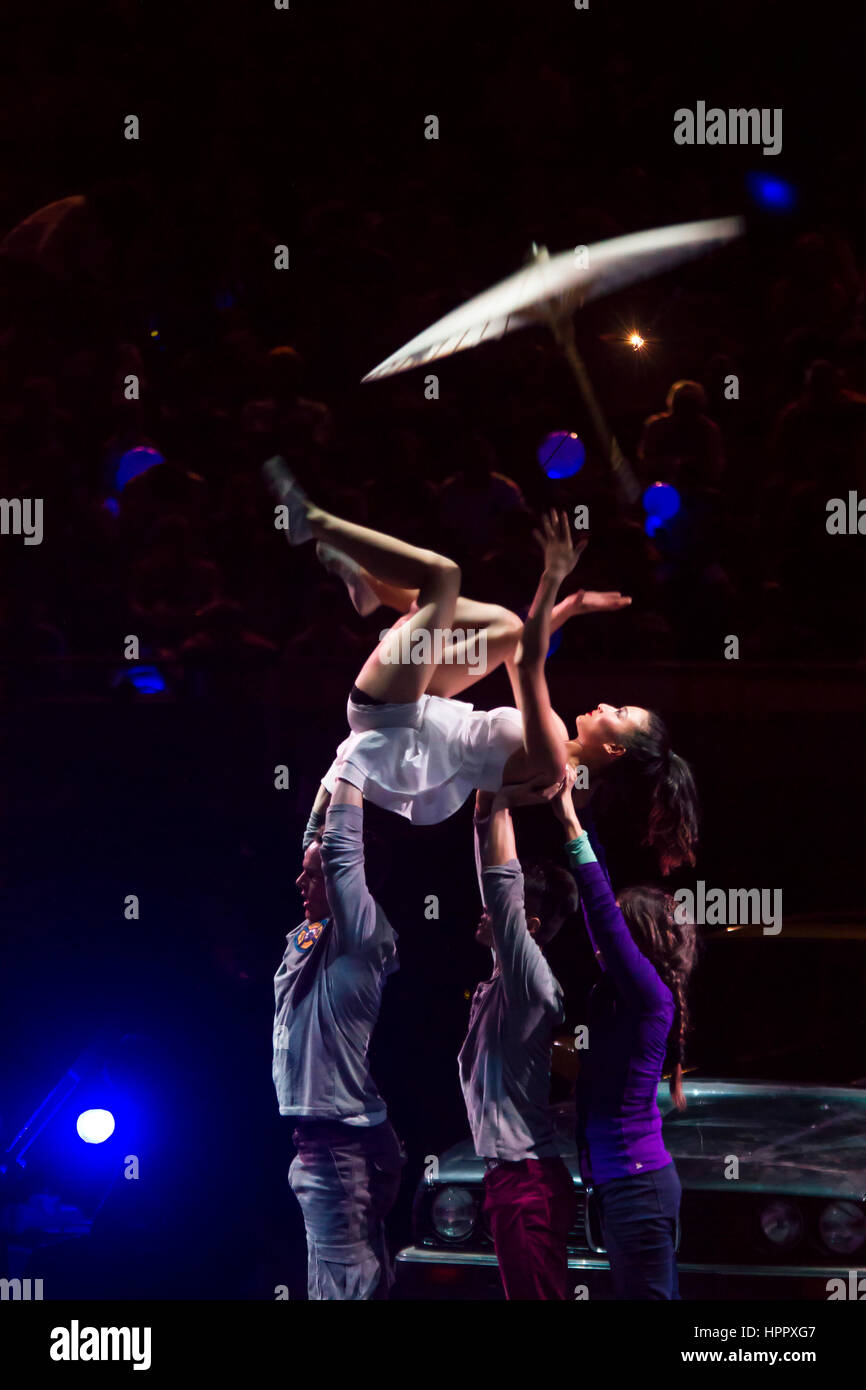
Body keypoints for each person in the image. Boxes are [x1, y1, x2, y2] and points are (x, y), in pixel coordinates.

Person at [266, 457, 698, 875]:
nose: (605, 705)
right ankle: (379, 591)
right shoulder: (554, 765)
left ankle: (314, 520)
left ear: (614, 749)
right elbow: (522, 647)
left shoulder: (551, 761)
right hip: (416, 705)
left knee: (445, 578)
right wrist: (564, 609)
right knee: (507, 625)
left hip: (390, 714)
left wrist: (554, 577)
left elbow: (527, 664)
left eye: (619, 714)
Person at [548, 776, 697, 1299]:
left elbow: (603, 917)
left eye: (616, 940)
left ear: (638, 946)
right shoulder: (633, 993)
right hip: (625, 1186)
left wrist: (570, 824)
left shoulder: (649, 995)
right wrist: (583, 813)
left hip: (638, 1187)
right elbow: (603, 914)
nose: (599, 948)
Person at [273, 771, 404, 1299]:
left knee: (345, 1286)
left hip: (341, 1145)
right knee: (333, 1278)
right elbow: (317, 839)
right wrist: (334, 768)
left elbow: (340, 851)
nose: (300, 885)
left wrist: (356, 764)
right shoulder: (317, 932)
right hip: (329, 1143)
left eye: (313, 877)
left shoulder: (358, 936)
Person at [459, 782, 579, 1299]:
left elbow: (501, 888)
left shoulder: (531, 984)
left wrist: (497, 796)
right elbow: (497, 883)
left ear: (527, 926)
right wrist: (484, 814)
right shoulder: (507, 982)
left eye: (505, 910)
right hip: (514, 1179)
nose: (486, 908)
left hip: (525, 1182)